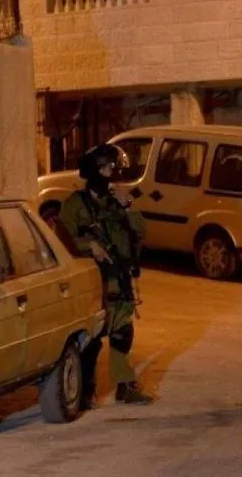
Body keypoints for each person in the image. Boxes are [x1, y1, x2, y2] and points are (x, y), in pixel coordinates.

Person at [58, 144, 153, 409]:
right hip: (92, 282)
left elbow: (141, 232)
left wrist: (128, 206)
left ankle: (125, 385)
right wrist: (89, 245)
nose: (114, 173)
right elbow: (61, 242)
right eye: (110, 168)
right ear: (96, 170)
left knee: (122, 333)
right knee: (90, 339)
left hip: (118, 279)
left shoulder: (115, 202)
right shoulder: (75, 204)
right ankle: (84, 391)